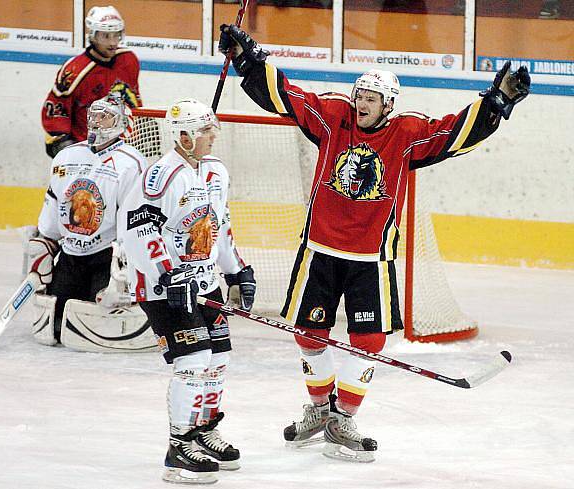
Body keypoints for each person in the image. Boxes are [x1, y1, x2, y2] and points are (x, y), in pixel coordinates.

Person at [218, 25, 530, 462]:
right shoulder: (333, 117)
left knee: (369, 342)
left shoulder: (406, 134)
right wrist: (248, 58)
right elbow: (287, 97)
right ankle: (318, 409)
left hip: (372, 257)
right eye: (359, 95)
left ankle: (343, 418)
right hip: (320, 250)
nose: (361, 104)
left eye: (370, 99)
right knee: (309, 335)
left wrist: (495, 101)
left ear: (388, 105)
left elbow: (454, 133)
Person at [120, 98, 256, 484]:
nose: (214, 135)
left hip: (205, 283)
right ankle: (179, 445)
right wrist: (166, 274)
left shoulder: (215, 172)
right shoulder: (161, 175)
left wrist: (236, 270)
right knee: (193, 360)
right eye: (204, 130)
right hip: (165, 288)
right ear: (182, 136)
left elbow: (218, 226)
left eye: (212, 128)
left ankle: (203, 430)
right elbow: (139, 229)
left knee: (218, 359)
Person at [29, 93, 151, 351]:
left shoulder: (130, 163)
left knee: (105, 318)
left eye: (104, 117)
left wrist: (127, 262)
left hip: (105, 256)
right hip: (71, 254)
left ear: (120, 122)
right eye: (93, 116)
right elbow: (54, 202)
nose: (96, 122)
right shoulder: (66, 157)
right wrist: (44, 241)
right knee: (56, 322)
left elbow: (134, 220)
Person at [41, 5, 142, 158]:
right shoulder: (74, 71)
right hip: (89, 149)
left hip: (124, 147)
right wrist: (65, 145)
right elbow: (55, 113)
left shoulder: (128, 60)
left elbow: (133, 99)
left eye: (116, 35)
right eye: (105, 36)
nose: (112, 42)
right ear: (93, 36)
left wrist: (141, 130)